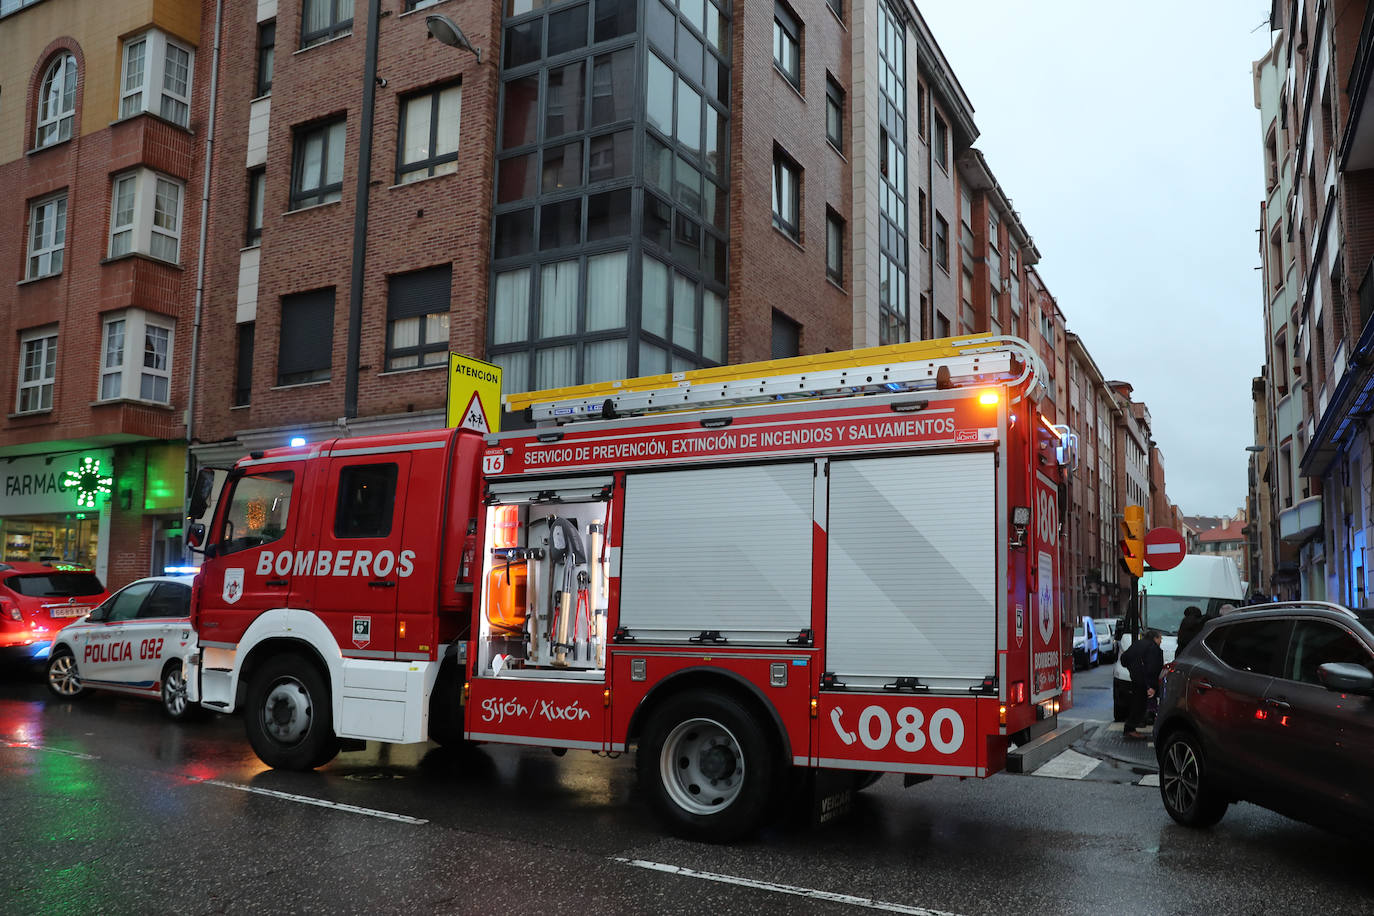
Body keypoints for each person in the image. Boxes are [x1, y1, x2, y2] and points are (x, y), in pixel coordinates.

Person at [1121, 629, 1163, 740]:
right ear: (1155, 638)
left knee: (1137, 703)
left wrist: (1133, 668)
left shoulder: (1138, 644)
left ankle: (1130, 729)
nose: (1161, 641)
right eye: (1160, 638)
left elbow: (1124, 659)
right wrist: (1152, 686)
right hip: (1145, 681)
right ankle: (1130, 729)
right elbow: (1153, 668)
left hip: (1135, 678)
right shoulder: (1153, 648)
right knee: (1140, 705)